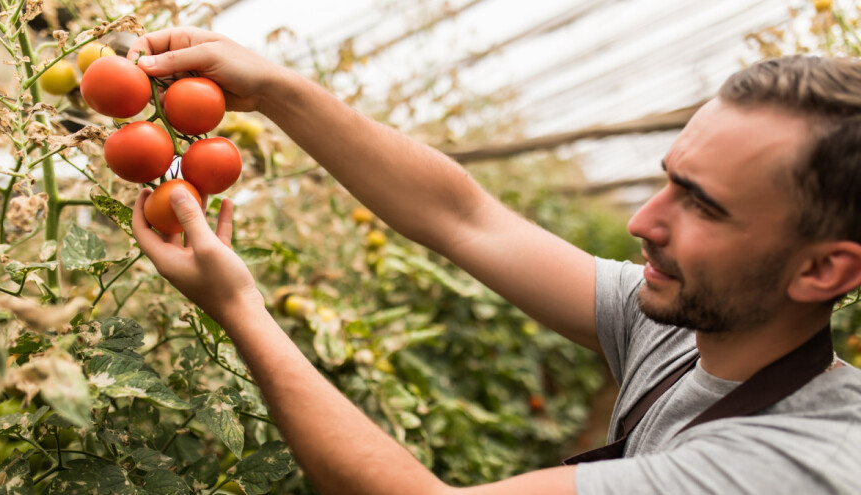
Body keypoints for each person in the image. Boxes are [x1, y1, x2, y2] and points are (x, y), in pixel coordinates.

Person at [128, 27, 861, 494]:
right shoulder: (679, 327)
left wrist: (240, 311)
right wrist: (280, 91)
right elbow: (464, 217)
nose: (643, 222)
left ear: (823, 271)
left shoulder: (800, 463)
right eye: (665, 179)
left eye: (702, 204)